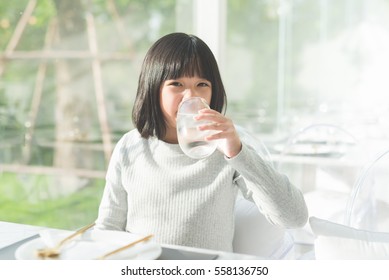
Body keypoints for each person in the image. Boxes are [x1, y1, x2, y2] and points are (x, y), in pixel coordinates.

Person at [95, 32, 308, 252]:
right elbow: (107, 228)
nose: (191, 97)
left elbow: (295, 217)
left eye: (202, 84)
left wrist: (237, 151)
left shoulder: (227, 148)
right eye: (176, 84)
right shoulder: (130, 147)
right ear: (153, 88)